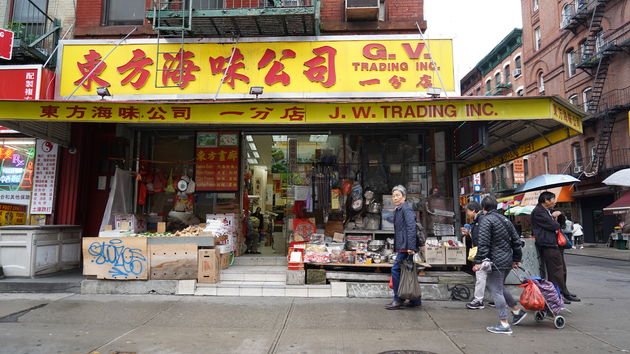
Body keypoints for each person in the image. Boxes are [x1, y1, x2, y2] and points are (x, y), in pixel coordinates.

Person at [474, 196, 526, 334]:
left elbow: (483, 243)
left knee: (496, 290)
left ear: (483, 208)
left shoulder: (486, 220)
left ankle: (504, 324)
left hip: (495, 261)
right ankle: (516, 311)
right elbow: (516, 241)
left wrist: (478, 261)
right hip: (507, 260)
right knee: (500, 287)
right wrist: (516, 258)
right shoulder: (505, 220)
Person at [531, 191, 580, 303]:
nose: (555, 202)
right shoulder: (539, 212)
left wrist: (559, 215)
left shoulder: (547, 211)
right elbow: (554, 226)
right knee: (555, 271)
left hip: (555, 244)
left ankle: (563, 292)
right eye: (553, 199)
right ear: (546, 200)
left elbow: (561, 225)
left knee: (561, 269)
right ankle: (558, 295)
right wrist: (555, 218)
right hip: (547, 244)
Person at [385, 185, 421, 310]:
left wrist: (411, 247)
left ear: (404, 197)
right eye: (393, 195)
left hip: (406, 246)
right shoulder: (399, 209)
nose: (395, 198)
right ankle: (415, 300)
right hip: (404, 245)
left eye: (398, 195)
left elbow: (411, 228)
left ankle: (397, 299)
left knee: (396, 270)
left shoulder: (406, 209)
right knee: (408, 271)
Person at [460, 201, 488, 310]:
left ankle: (478, 300)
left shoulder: (481, 220)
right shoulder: (478, 220)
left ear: (474, 210)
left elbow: (480, 238)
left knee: (480, 275)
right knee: (489, 278)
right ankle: (497, 299)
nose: (467, 213)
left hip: (482, 251)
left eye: (467, 211)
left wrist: (479, 258)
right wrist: (469, 232)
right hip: (483, 250)